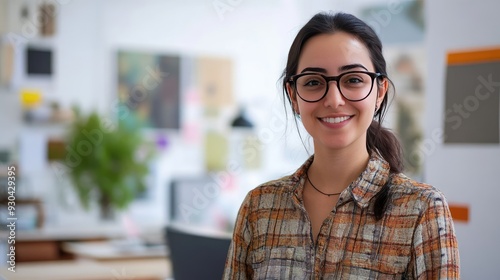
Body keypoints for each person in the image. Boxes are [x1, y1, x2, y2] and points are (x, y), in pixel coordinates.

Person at [223, 12, 460, 279]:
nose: (334, 100)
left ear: (379, 92)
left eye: (353, 80)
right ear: (294, 97)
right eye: (313, 82)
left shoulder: (421, 209)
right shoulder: (259, 207)